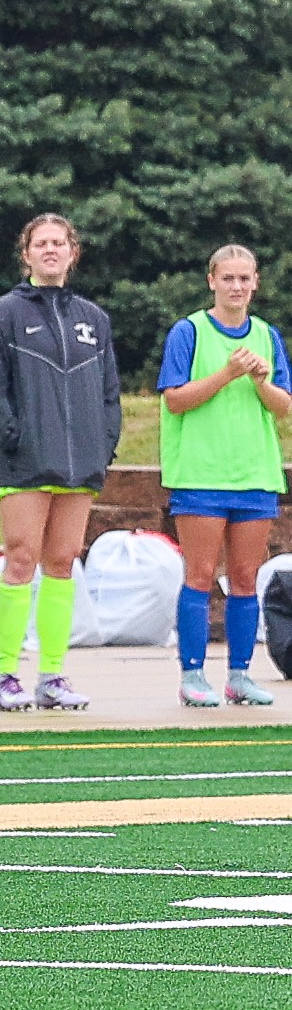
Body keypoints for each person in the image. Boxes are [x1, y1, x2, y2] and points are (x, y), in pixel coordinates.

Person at [0, 213, 120, 711]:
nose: (51, 250)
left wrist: (103, 447)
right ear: (27, 254)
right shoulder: (4, 314)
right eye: (41, 243)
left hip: (80, 467)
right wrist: (17, 440)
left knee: (61, 563)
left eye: (59, 243)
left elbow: (109, 397)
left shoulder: (94, 319)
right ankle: (7, 674)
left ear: (72, 252)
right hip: (25, 465)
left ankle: (53, 675)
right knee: (20, 558)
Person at [159, 244, 289, 708]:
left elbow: (283, 405)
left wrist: (259, 381)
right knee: (198, 575)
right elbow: (176, 399)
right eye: (227, 278)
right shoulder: (188, 331)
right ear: (211, 281)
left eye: (245, 278)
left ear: (256, 282)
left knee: (244, 578)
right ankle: (192, 674)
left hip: (254, 473)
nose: (237, 286)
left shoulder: (268, 335)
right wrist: (228, 372)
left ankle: (239, 674)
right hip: (201, 473)